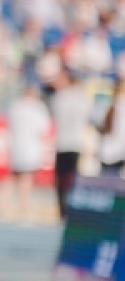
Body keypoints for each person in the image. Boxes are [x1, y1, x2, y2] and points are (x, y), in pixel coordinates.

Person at [4, 80, 51, 224]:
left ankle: (2, 207)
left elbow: (8, 125)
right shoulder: (38, 108)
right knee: (26, 179)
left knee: (11, 177)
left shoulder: (15, 105)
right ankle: (22, 210)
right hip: (30, 148)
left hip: (16, 146)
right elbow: (43, 131)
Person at [50, 69, 90, 218]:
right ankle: (71, 210)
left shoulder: (60, 97)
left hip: (64, 143)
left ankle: (63, 211)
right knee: (72, 180)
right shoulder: (81, 97)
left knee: (62, 181)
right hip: (74, 143)